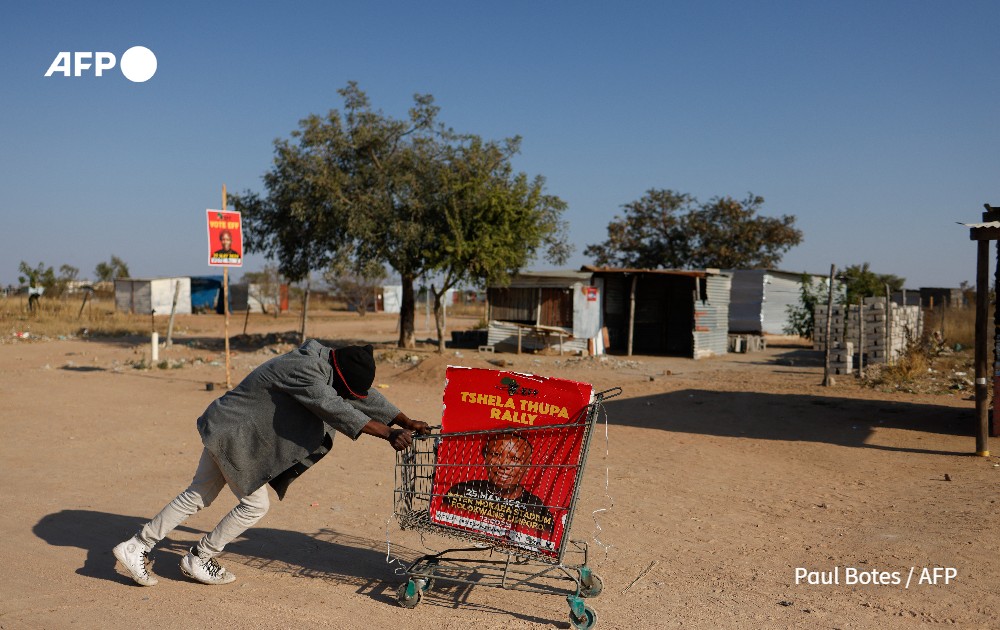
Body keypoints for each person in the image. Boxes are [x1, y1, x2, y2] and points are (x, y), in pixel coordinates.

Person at [112, 340, 429, 586]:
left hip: (228, 427)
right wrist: (388, 432)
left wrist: (405, 420)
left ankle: (138, 545)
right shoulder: (306, 370)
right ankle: (199, 557)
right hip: (234, 435)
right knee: (254, 505)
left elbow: (364, 396)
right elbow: (334, 407)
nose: (354, 395)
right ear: (342, 375)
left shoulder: (331, 364)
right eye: (349, 390)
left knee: (198, 494)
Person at [443, 434, 554, 532]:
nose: (504, 465)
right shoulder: (461, 492)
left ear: (528, 466)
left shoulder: (538, 512)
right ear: (485, 457)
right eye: (496, 454)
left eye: (515, 459)